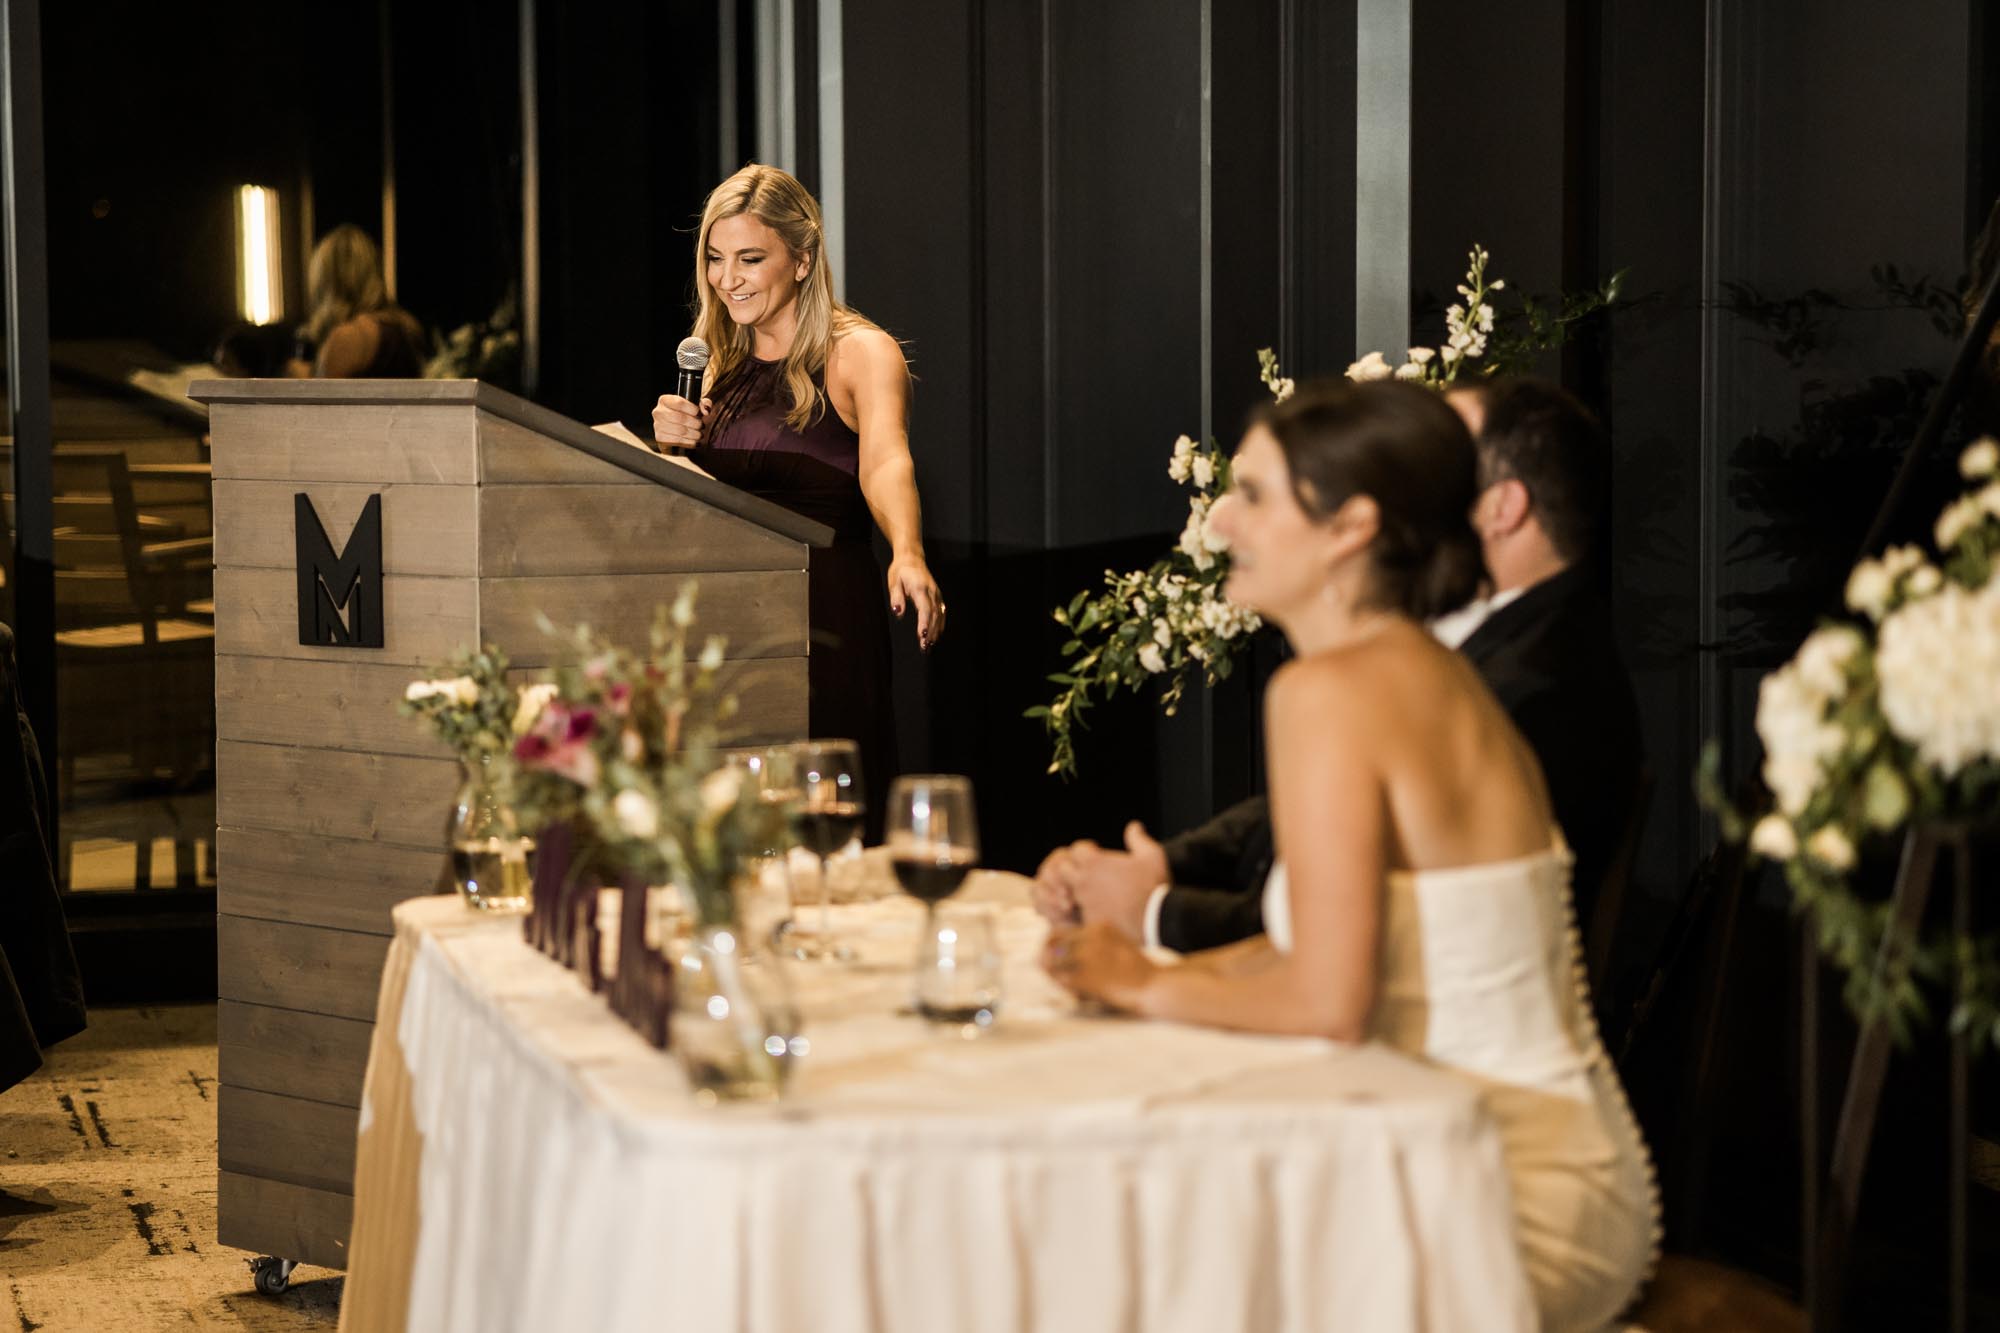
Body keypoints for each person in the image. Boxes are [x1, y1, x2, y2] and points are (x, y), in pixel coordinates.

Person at [1041, 380, 1657, 1330]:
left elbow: (1331, 999)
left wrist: (1142, 981)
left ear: (1350, 529)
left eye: (1256, 495)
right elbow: (1327, 947)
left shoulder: (1332, 690)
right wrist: (1133, 960)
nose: (1222, 521)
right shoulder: (1421, 666)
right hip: (1509, 1150)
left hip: (1502, 1188)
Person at [1035, 378, 1644, 986]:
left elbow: (1348, 959)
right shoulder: (1435, 649)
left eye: (1436, 461)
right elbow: (1294, 825)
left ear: (1501, 507)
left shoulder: (1541, 686)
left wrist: (1151, 925)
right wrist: (1161, 868)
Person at [650, 164, 944, 826]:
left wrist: (907, 550)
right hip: (730, 629)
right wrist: (671, 447)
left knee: (822, 825)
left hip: (825, 621)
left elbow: (887, 459)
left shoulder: (860, 352)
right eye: (716, 259)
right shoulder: (716, 361)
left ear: (803, 259)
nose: (728, 279)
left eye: (750, 259)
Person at [286, 225, 426, 379]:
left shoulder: (350, 336)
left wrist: (303, 379)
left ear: (327, 281)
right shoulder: (404, 325)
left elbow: (326, 393)